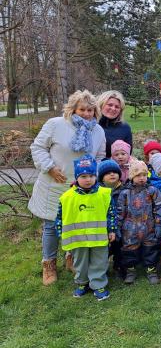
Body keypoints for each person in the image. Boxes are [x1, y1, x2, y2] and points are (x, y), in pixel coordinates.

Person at [29, 90, 106, 285]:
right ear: (73, 109)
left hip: (81, 188)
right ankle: (49, 263)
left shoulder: (97, 130)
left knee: (77, 224)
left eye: (91, 110)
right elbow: (37, 148)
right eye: (82, 109)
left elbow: (99, 156)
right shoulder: (56, 125)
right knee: (51, 226)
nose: (87, 114)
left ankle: (71, 257)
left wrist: (93, 176)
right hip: (55, 183)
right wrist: (50, 168)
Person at [55, 155, 116, 300]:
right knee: (80, 262)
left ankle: (98, 285)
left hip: (99, 237)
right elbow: (59, 218)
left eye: (91, 175)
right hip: (78, 239)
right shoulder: (67, 197)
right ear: (77, 178)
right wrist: (61, 233)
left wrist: (112, 230)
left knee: (99, 262)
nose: (88, 179)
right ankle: (82, 283)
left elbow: (111, 213)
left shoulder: (104, 194)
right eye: (83, 176)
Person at [117, 160, 161, 285]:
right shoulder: (125, 192)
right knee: (129, 251)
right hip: (130, 229)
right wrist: (118, 226)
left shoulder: (152, 190)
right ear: (132, 176)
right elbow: (120, 210)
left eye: (144, 175)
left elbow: (160, 206)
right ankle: (130, 271)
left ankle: (151, 270)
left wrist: (159, 224)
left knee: (151, 250)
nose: (142, 178)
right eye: (138, 175)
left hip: (148, 226)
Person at [98, 159, 126, 277]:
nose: (112, 174)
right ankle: (101, 269)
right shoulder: (98, 192)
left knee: (120, 248)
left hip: (121, 224)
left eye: (114, 172)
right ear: (101, 178)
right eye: (108, 173)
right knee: (103, 251)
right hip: (104, 226)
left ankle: (119, 266)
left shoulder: (125, 190)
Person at [97, 90, 132, 158]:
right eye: (110, 105)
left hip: (116, 167)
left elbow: (127, 154)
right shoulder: (92, 125)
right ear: (101, 105)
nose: (113, 108)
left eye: (117, 107)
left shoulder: (125, 128)